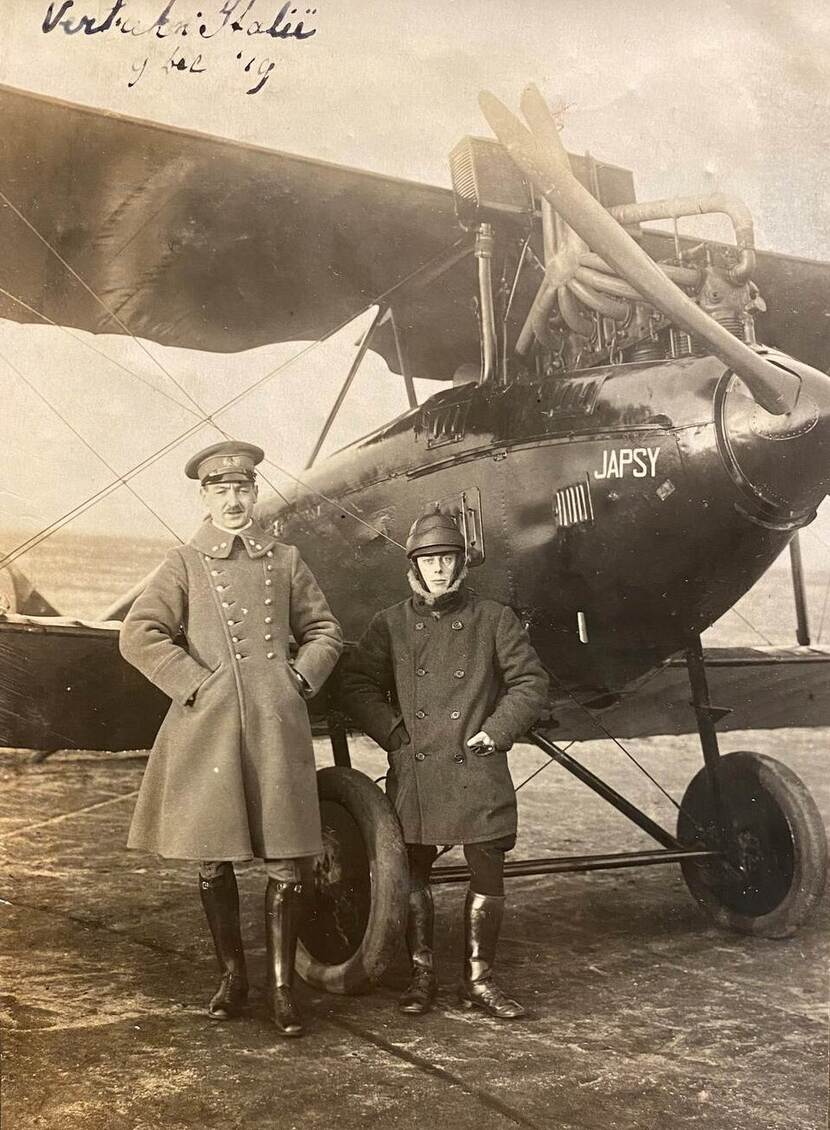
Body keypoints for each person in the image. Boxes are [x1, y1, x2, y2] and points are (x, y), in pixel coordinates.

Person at [119, 440, 343, 1037]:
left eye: (243, 490)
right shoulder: (185, 562)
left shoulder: (286, 560)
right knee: (213, 862)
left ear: (255, 493)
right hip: (210, 729)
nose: (235, 501)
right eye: (222, 492)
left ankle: (280, 990)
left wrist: (299, 677)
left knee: (287, 862)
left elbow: (325, 629)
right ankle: (232, 978)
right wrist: (197, 683)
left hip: (276, 728)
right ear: (204, 498)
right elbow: (140, 633)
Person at [340, 508, 549, 1019]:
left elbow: (532, 683)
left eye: (447, 558)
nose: (439, 568)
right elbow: (354, 684)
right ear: (414, 564)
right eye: (429, 559)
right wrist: (394, 735)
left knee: (487, 872)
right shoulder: (389, 623)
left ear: (462, 562)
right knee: (412, 868)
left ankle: (479, 980)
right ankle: (422, 974)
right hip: (417, 767)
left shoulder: (494, 618)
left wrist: (495, 733)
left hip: (476, 763)